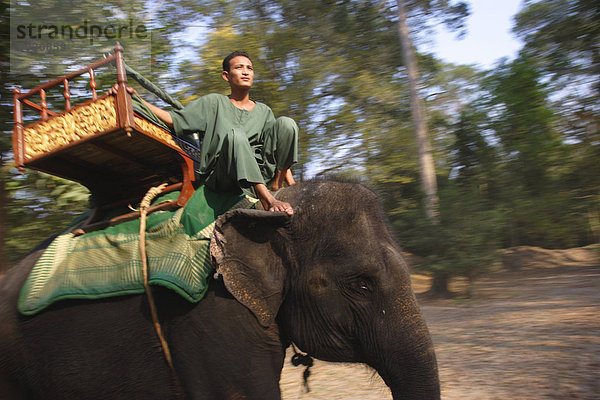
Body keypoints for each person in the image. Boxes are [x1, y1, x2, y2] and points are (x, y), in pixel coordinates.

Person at [110, 51, 297, 215]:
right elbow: (175, 120)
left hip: (258, 169)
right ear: (226, 76)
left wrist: (292, 183)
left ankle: (275, 186)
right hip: (222, 173)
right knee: (236, 136)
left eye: (249, 68)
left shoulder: (264, 111)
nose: (246, 71)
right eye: (239, 68)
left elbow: (277, 147)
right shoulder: (213, 103)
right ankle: (267, 199)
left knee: (287, 124)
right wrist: (134, 99)